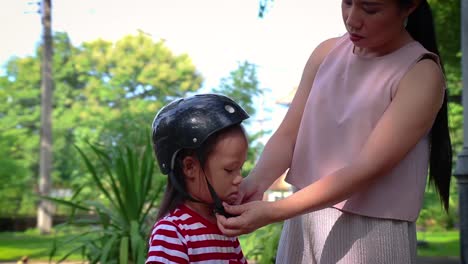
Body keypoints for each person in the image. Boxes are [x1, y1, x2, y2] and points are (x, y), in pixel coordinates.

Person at [216, 0, 452, 263]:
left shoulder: (421, 74)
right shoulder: (325, 53)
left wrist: (274, 211)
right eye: (347, 2)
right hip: (302, 222)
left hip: (370, 235)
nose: (352, 18)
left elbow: (366, 168)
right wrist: (255, 183)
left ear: (409, 7)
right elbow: (287, 136)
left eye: (370, 9)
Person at [146, 94, 249, 264]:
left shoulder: (224, 229)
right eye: (230, 169)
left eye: (240, 168)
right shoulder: (173, 232)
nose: (239, 179)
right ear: (190, 167)